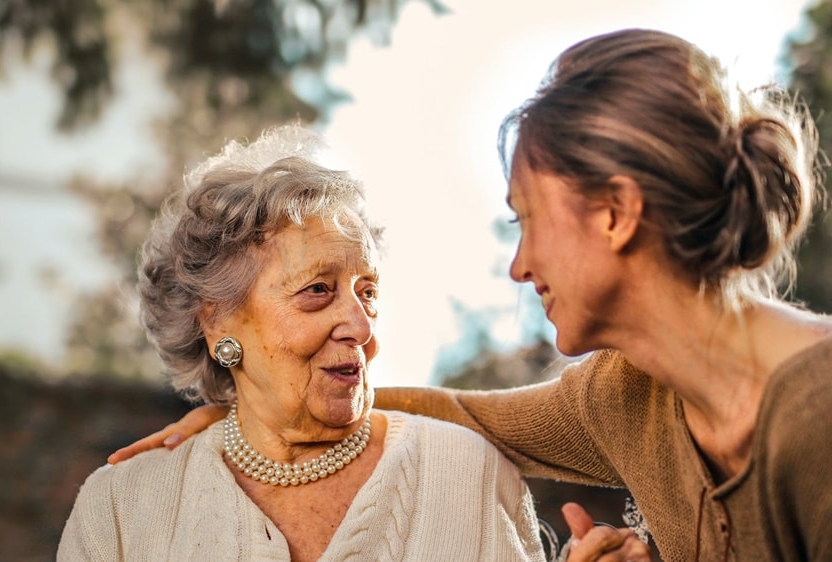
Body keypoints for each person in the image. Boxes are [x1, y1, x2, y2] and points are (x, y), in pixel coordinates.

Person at [109, 29, 832, 561]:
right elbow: (467, 417)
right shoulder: (631, 393)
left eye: (527, 220)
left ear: (616, 213)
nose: (520, 266)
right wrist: (257, 403)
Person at [59, 125, 645, 561]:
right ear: (217, 323)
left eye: (368, 293)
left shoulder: (468, 474)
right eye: (317, 290)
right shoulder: (122, 510)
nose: (362, 328)